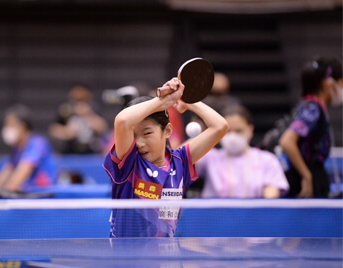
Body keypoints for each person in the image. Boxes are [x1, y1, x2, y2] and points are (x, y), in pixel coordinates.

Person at [103, 77, 229, 237]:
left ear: (167, 131)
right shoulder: (129, 164)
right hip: (127, 258)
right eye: (133, 135)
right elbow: (122, 121)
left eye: (147, 133)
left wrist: (187, 100)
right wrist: (163, 100)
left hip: (166, 257)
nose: (139, 143)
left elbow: (220, 126)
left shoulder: (181, 162)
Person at [279, 57, 342, 198]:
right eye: (341, 83)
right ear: (328, 83)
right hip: (307, 176)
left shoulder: (310, 105)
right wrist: (307, 176)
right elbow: (287, 141)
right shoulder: (313, 108)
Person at [196, 105, 289, 198]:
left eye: (239, 131)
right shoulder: (209, 157)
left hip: (253, 212)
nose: (232, 136)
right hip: (214, 212)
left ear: (251, 130)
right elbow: (182, 158)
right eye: (227, 131)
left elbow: (271, 197)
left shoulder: (267, 160)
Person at [0, 104, 57, 192]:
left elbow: (14, 183)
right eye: (6, 125)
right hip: (26, 196)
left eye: (10, 125)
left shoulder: (37, 144)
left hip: (43, 197)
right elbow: (1, 179)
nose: (6, 129)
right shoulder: (16, 149)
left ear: (23, 127)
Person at [48, 85, 108, 154]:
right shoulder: (65, 110)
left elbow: (103, 127)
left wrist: (89, 115)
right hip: (70, 151)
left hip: (91, 151)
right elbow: (53, 130)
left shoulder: (94, 108)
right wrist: (67, 132)